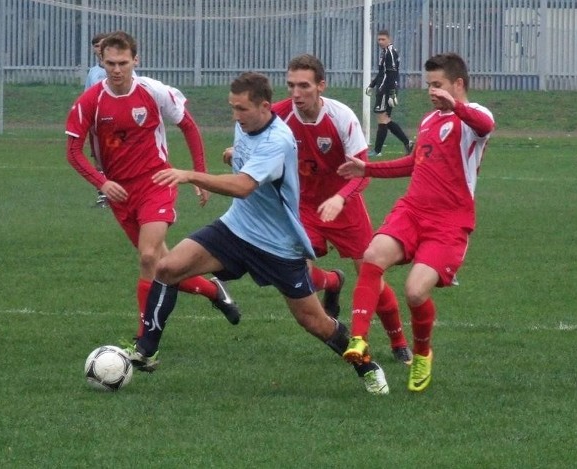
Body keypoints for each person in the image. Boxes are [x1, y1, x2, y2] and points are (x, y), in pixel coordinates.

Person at [124, 71, 389, 395]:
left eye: (242, 109)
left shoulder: (279, 138)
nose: (235, 116)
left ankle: (366, 366)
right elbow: (246, 171)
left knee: (313, 322)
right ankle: (144, 350)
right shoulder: (245, 126)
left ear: (264, 107)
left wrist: (191, 175)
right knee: (167, 268)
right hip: (237, 228)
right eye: (233, 108)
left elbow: (245, 186)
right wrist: (235, 155)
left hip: (278, 245)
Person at [65, 31, 241, 341]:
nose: (117, 70)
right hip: (120, 191)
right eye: (110, 64)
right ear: (101, 62)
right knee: (163, 264)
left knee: (148, 256)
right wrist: (102, 182)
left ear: (136, 60)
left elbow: (188, 125)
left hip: (156, 181)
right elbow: (73, 152)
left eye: (123, 63)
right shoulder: (90, 101)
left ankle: (144, 339)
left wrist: (199, 176)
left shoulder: (153, 91)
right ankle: (214, 290)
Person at [338, 52, 495, 392]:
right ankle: (360, 340)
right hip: (412, 211)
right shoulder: (428, 121)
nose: (432, 92)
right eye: (429, 86)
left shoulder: (474, 117)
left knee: (414, 290)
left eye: (438, 86)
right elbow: (414, 163)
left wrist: (455, 105)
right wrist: (368, 169)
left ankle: (422, 352)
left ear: (458, 85)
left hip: (449, 223)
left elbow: (486, 126)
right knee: (372, 255)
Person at [270, 53, 412, 365]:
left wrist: (339, 198)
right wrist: (236, 151)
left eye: (304, 86)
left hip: (345, 207)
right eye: (291, 85)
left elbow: (362, 173)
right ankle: (333, 281)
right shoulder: (279, 115)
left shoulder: (341, 116)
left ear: (321, 85)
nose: (296, 93)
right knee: (291, 267)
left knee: (371, 273)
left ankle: (398, 340)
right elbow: (256, 141)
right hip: (305, 206)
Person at [366, 29, 413, 158]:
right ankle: (406, 143)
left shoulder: (391, 53)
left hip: (386, 90)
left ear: (389, 40)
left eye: (383, 39)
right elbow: (382, 73)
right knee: (385, 119)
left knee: (383, 119)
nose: (380, 42)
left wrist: (392, 93)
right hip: (382, 88)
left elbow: (392, 74)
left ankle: (378, 150)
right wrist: (372, 84)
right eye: (379, 39)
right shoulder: (384, 53)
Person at [85, 33, 109, 207]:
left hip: (115, 122)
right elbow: (87, 96)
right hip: (97, 122)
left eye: (101, 44)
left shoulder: (120, 68)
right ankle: (103, 195)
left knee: (116, 157)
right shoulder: (93, 72)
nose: (98, 48)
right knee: (99, 158)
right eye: (95, 45)